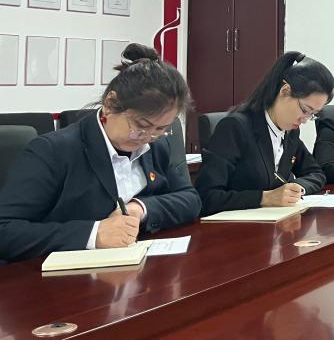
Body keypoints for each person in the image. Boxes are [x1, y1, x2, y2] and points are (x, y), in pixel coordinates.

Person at [0, 43, 200, 262]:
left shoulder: (156, 145)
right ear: (110, 103)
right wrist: (94, 234)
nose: (148, 137)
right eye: (141, 125)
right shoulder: (53, 151)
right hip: (63, 275)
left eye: (161, 128)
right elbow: (6, 230)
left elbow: (190, 200)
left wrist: (140, 208)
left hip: (135, 267)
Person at [196, 52, 329, 215]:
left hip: (276, 223)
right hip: (235, 226)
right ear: (285, 91)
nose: (305, 119)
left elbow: (316, 173)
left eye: (313, 114)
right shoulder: (235, 127)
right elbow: (206, 197)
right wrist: (264, 198)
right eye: (305, 110)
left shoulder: (290, 132)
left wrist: (297, 189)